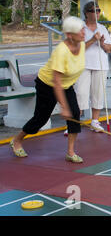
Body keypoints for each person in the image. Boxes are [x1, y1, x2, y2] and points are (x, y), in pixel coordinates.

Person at [10, 17, 86, 163]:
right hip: (47, 85)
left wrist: (97, 40)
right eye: (80, 30)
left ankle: (70, 152)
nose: (84, 32)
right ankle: (17, 140)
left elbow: (85, 47)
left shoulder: (81, 44)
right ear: (69, 35)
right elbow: (56, 83)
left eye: (83, 29)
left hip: (66, 85)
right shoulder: (61, 52)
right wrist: (63, 107)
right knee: (41, 119)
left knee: (75, 113)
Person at [73, 2, 111, 132]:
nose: (96, 13)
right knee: (80, 93)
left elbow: (110, 48)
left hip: (100, 65)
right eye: (93, 11)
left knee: (98, 94)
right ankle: (74, 123)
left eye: (98, 10)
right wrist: (92, 40)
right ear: (86, 13)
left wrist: (102, 43)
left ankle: (95, 121)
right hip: (83, 65)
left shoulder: (102, 28)